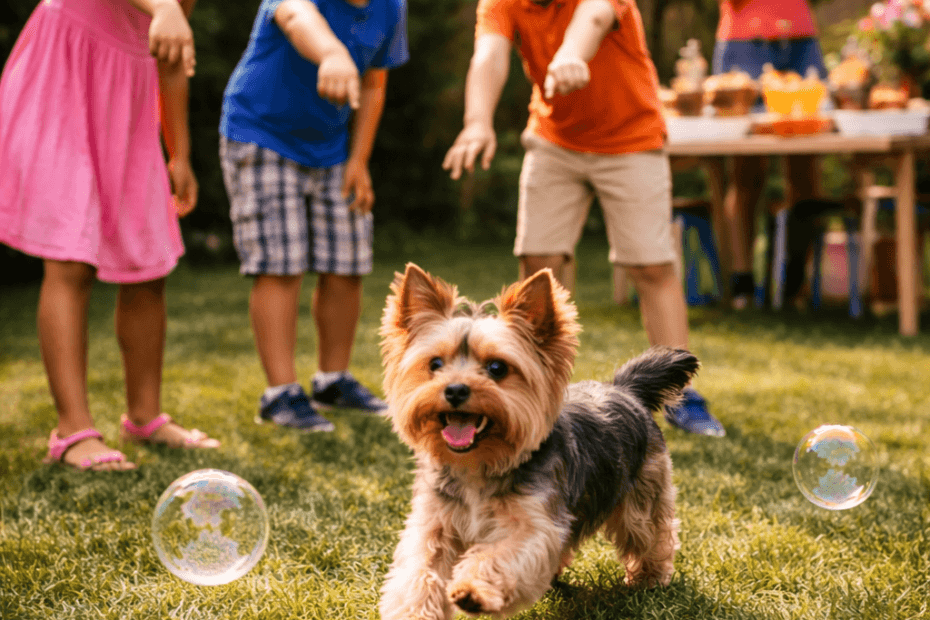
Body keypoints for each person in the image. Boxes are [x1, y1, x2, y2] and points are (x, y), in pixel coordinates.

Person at [443, 0, 725, 437]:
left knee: (650, 265)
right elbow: (489, 55)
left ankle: (679, 393)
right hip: (554, 139)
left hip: (631, 138)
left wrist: (573, 53)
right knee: (539, 266)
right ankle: (541, 390)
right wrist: (477, 121)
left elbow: (592, 17)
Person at [0, 0, 220, 471]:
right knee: (69, 259)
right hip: (62, 75)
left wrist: (178, 152)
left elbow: (172, 50)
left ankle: (144, 415)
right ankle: (72, 430)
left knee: (148, 263)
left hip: (129, 98)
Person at [219, 0, 408, 431]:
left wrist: (359, 160)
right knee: (280, 266)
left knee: (348, 262)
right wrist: (333, 53)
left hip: (332, 147)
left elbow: (375, 85)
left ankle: (332, 380)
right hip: (261, 134)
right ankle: (280, 393)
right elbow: (296, 16)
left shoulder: (392, 7)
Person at [714, 0, 827, 309]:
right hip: (744, 38)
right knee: (746, 172)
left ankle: (794, 285)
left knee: (806, 173)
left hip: (800, 34)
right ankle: (743, 284)